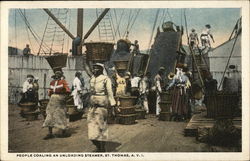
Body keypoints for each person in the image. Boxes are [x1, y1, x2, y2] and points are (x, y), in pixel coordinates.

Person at [87, 63, 116, 152]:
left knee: (101, 127)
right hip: (92, 106)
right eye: (93, 68)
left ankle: (102, 147)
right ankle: (98, 145)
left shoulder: (106, 79)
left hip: (102, 106)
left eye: (96, 68)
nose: (94, 70)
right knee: (91, 127)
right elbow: (90, 92)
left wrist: (113, 106)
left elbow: (110, 93)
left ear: (101, 69)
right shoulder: (92, 79)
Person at [43, 71, 71, 140]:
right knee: (50, 115)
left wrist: (63, 97)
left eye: (58, 75)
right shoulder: (54, 82)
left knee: (60, 115)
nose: (57, 76)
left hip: (58, 99)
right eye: (56, 75)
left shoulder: (62, 82)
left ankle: (63, 131)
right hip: (54, 100)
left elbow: (68, 91)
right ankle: (50, 133)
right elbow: (50, 92)